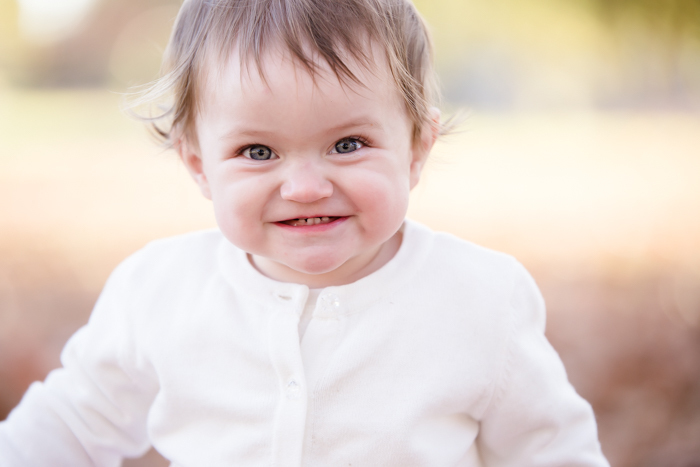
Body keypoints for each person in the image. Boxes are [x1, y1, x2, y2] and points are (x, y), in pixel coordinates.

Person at [0, 0, 610, 465]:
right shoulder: (158, 291)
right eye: (257, 150)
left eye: (348, 144)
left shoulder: (479, 298)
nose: (305, 186)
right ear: (198, 165)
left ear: (417, 147)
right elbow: (72, 423)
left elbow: (552, 450)